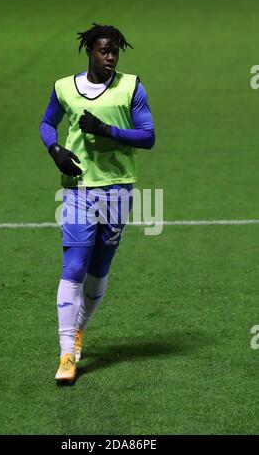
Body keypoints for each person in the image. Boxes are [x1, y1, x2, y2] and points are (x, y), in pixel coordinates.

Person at [39, 23, 156, 384]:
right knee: (73, 265)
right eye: (104, 51)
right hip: (78, 188)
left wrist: (108, 130)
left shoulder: (131, 86)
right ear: (89, 50)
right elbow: (46, 124)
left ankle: (79, 331)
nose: (110, 58)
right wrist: (55, 149)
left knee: (99, 269)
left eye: (115, 52)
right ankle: (65, 353)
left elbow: (148, 137)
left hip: (118, 189)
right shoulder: (64, 88)